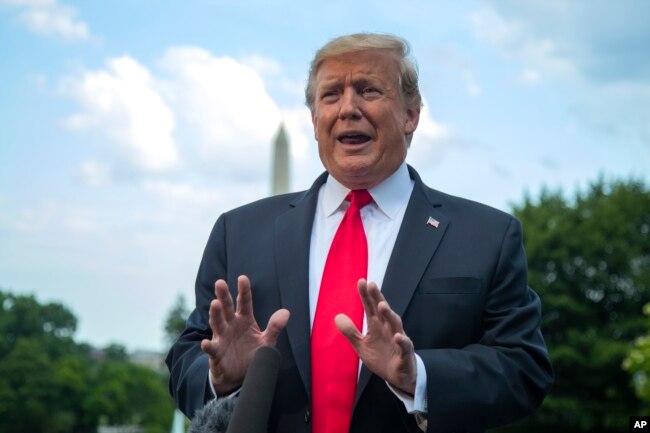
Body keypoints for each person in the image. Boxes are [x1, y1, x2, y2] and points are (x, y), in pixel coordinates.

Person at [166, 33, 553, 433]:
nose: (348, 108)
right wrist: (220, 378)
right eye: (331, 94)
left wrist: (417, 374)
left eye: (368, 90)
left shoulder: (486, 236)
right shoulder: (239, 231)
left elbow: (524, 369)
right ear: (315, 121)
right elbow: (184, 360)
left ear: (411, 114)